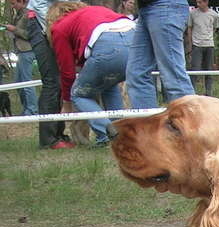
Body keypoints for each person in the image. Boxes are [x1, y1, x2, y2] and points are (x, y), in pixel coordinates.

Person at [47, 2, 135, 148]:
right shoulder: (95, 11)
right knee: (109, 85)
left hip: (108, 45)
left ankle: (109, 134)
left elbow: (67, 72)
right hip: (134, 40)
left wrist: (67, 102)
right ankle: (120, 134)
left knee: (78, 94)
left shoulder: (59, 27)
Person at [125, 0, 194, 109]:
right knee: (136, 74)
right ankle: (148, 124)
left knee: (173, 75)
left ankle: (191, 122)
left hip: (165, 6)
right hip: (146, 9)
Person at [26, 0, 75, 149]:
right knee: (52, 82)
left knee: (59, 82)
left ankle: (59, 135)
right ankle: (48, 140)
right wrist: (53, 27)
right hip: (40, 24)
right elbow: (40, 4)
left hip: (50, 21)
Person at [4, 0, 38, 116]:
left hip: (27, 51)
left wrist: (14, 29)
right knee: (18, 82)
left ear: (22, 2)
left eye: (14, 3)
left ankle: (32, 110)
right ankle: (26, 108)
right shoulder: (17, 15)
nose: (12, 6)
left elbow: (30, 34)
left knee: (27, 82)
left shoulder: (29, 14)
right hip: (20, 52)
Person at [187, 0, 219, 96]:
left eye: (200, 2)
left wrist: (209, 37)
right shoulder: (193, 14)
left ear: (206, 2)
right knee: (194, 69)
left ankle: (209, 93)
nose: (198, 4)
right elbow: (189, 28)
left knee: (209, 70)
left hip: (209, 44)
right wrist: (190, 43)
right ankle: (192, 92)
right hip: (196, 45)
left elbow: (214, 28)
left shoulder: (214, 15)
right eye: (197, 2)